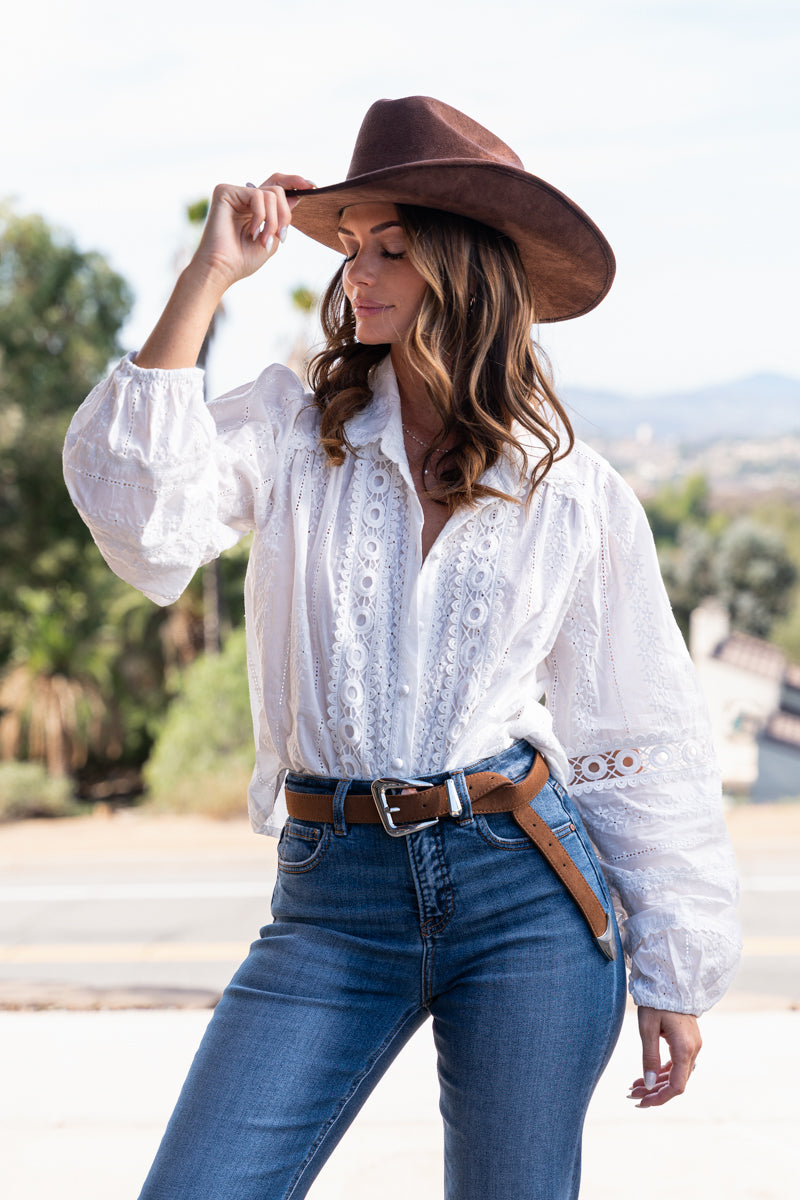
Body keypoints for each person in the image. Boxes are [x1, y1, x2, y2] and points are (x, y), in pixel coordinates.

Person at [63, 96, 740, 1200]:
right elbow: (141, 520)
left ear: (463, 272)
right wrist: (206, 279)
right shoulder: (293, 430)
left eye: (392, 248)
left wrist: (676, 968)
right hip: (333, 902)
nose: (357, 275)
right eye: (350, 249)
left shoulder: (566, 488)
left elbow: (639, 732)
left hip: (525, 894)